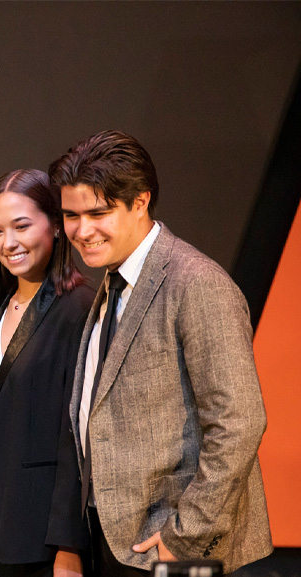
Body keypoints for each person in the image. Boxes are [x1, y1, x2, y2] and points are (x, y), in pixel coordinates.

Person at [50, 130, 272, 575]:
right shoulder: (112, 284)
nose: (81, 230)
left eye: (98, 212)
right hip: (116, 545)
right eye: (71, 215)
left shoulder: (196, 283)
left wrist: (185, 536)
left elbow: (240, 422)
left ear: (140, 202)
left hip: (175, 550)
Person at [0, 169, 91, 577]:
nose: (8, 243)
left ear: (55, 224)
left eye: (21, 226)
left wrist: (69, 548)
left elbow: (76, 437)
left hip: (44, 542)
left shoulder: (78, 307)